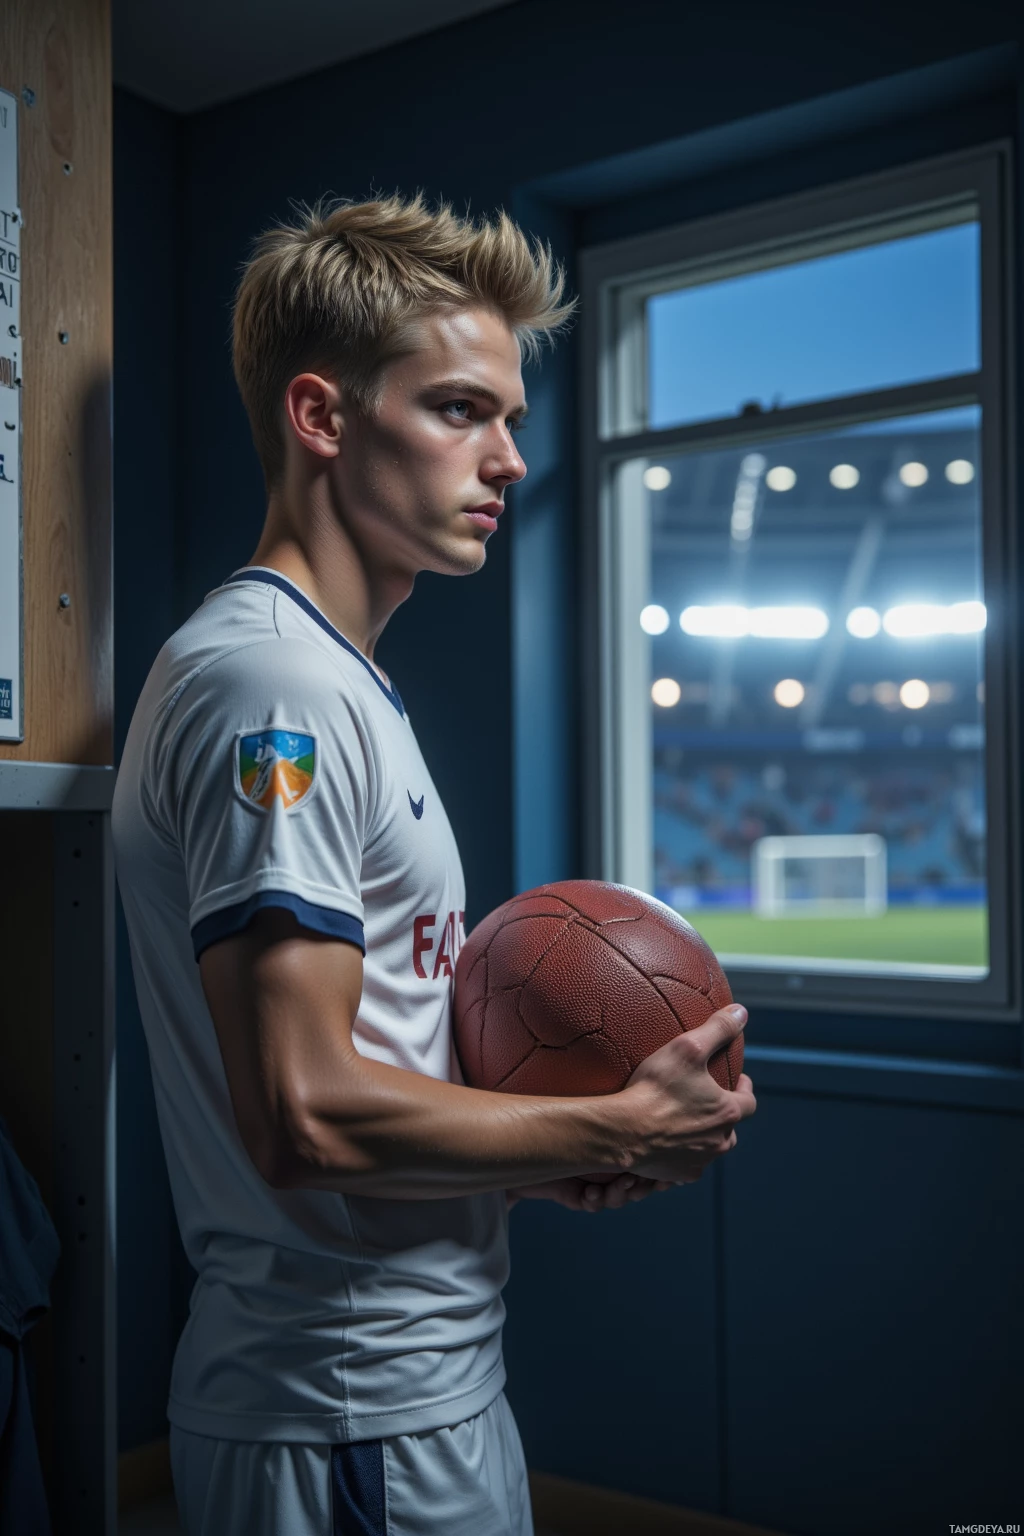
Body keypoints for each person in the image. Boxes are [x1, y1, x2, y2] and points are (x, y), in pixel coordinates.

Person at [112, 194, 757, 1536]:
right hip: (348, 1414)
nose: (509, 460)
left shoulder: (334, 679)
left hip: (412, 1393)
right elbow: (301, 1114)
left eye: (510, 419)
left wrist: (523, 1161)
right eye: (462, 410)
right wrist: (615, 1125)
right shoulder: (274, 690)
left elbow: (370, 1075)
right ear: (322, 416)